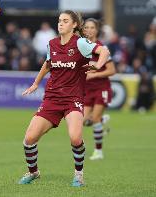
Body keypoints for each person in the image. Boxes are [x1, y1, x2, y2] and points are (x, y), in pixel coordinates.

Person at [18, 11, 110, 186]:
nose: (60, 24)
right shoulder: (52, 44)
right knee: (29, 139)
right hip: (52, 98)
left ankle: (78, 175)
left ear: (74, 25)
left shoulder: (81, 43)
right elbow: (47, 64)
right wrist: (36, 83)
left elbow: (103, 50)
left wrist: (98, 64)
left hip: (73, 98)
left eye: (65, 21)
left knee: (75, 138)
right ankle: (33, 172)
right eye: (59, 21)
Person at [82, 18, 116, 160]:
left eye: (92, 27)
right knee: (82, 121)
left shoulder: (102, 48)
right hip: (87, 90)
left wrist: (94, 74)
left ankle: (98, 151)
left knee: (94, 118)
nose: (89, 30)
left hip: (102, 88)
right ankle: (101, 120)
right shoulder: (81, 47)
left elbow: (112, 70)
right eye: (86, 27)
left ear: (97, 30)